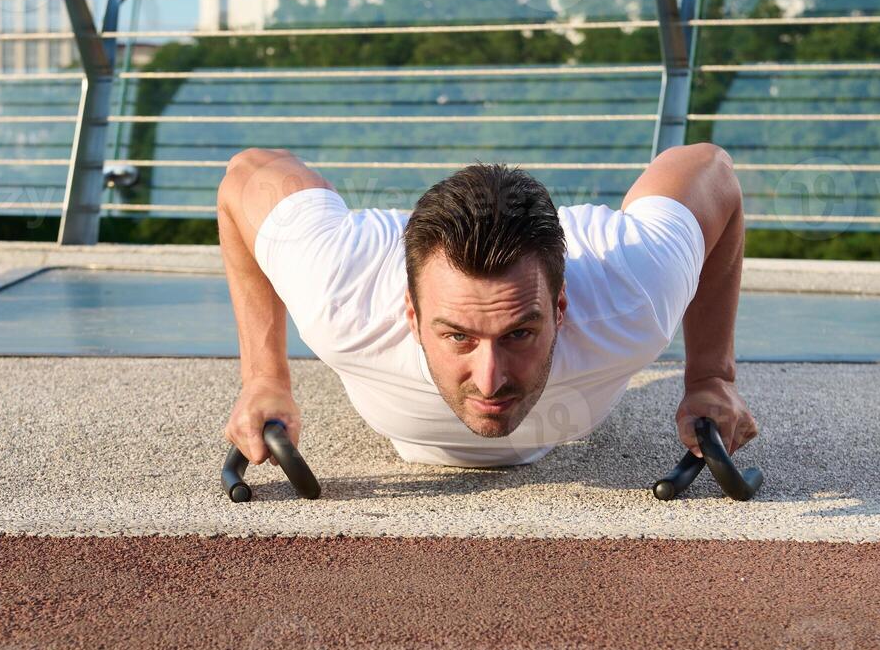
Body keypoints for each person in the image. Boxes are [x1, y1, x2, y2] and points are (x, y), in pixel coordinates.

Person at [217, 145, 758, 469]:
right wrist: (264, 378)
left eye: (519, 334)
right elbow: (245, 172)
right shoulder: (342, 292)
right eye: (458, 337)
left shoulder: (632, 291)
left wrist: (711, 378)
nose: (491, 379)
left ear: (562, 308)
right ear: (411, 314)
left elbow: (710, 169)